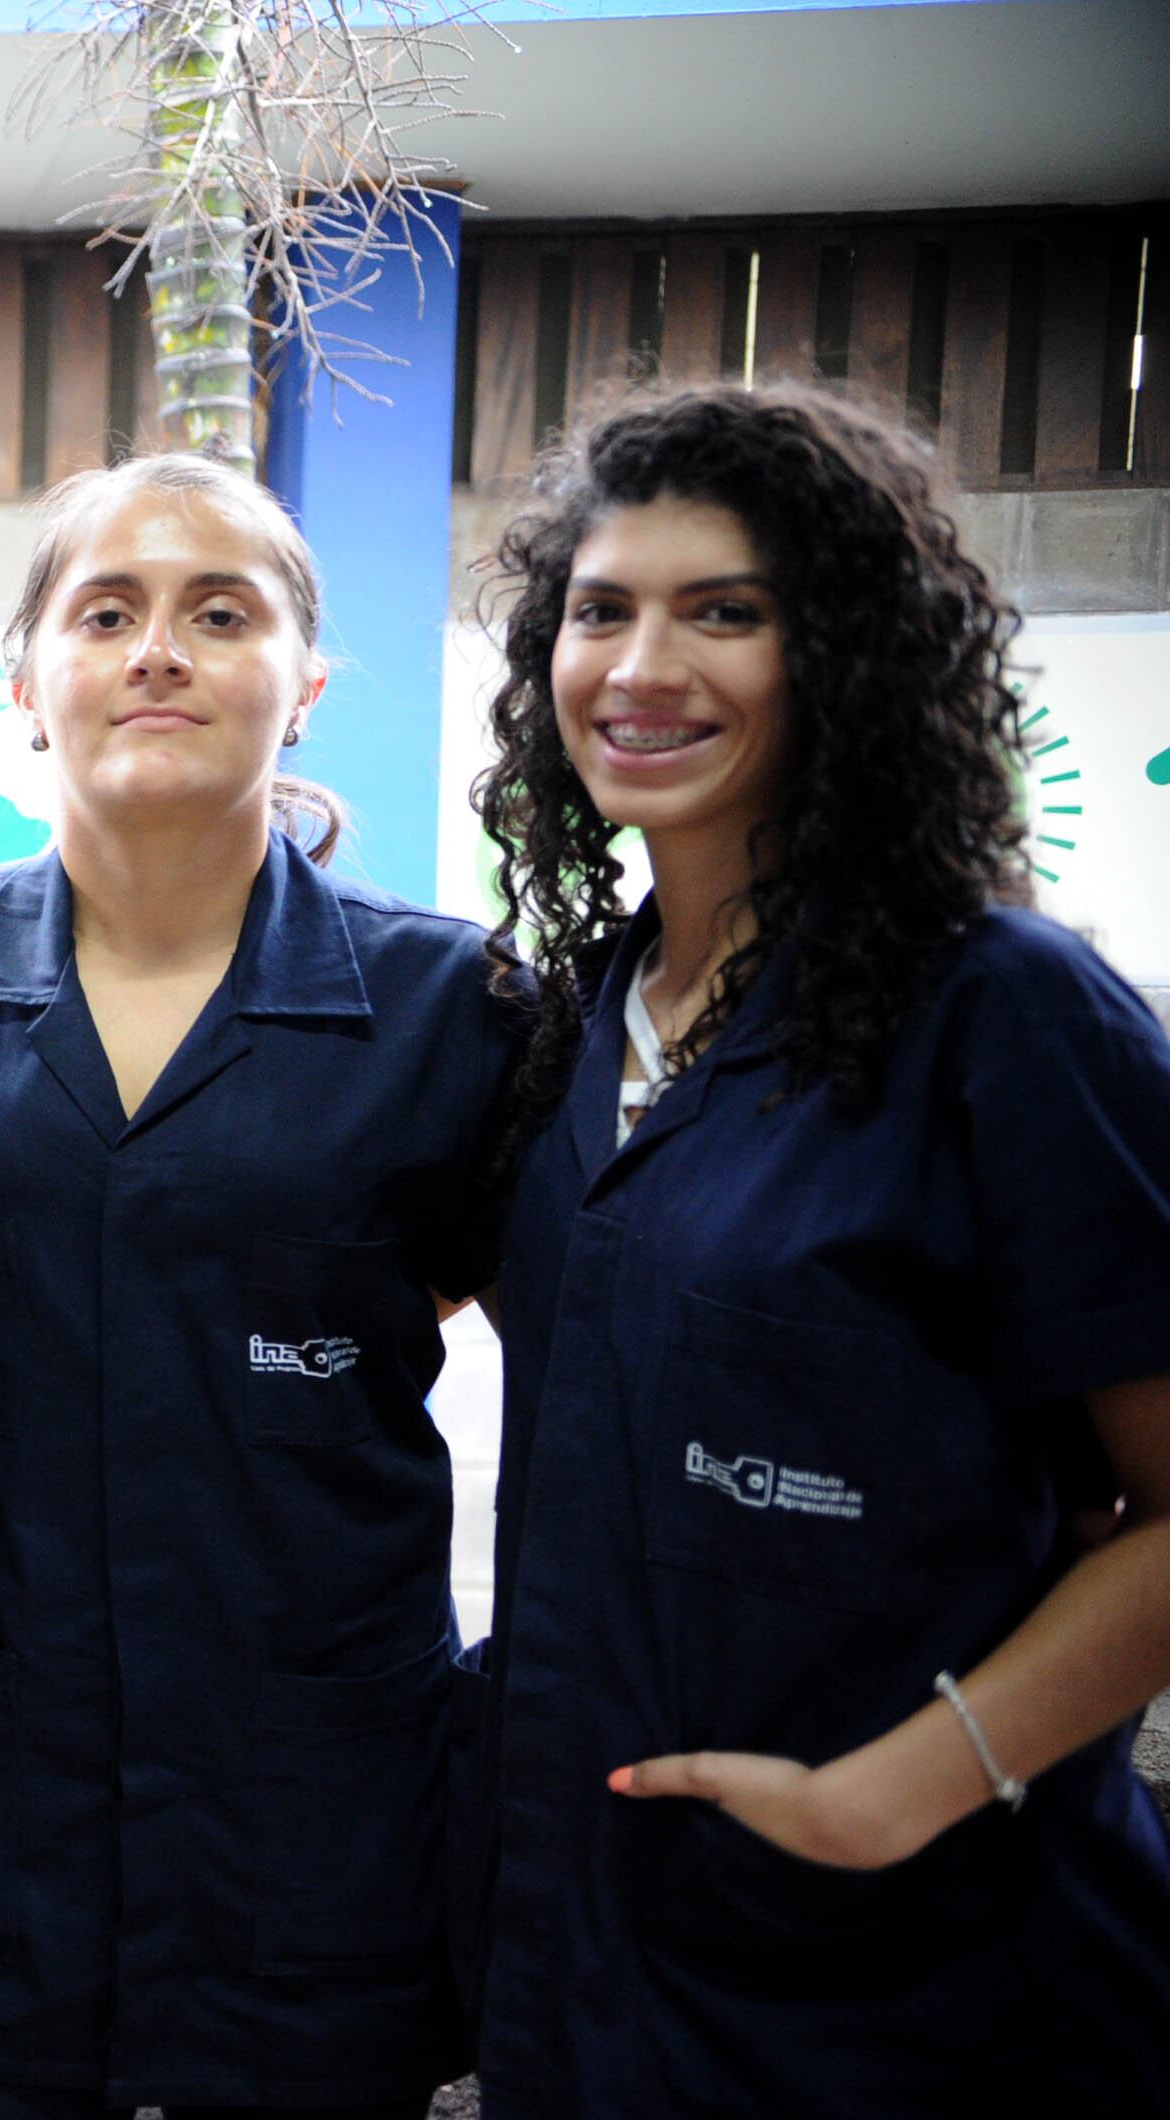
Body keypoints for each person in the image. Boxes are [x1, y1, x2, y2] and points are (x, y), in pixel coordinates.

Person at [0, 455, 522, 2119]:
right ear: (25, 686)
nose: (159, 651)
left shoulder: (453, 1010)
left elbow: (605, 1386)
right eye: (106, 613)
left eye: (220, 614)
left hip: (325, 1860)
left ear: (305, 688)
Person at [456, 383, 1170, 2115]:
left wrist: (902, 1791)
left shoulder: (1004, 1015)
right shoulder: (571, 1033)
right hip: (590, 1963)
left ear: (844, 657)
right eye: (601, 612)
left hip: (923, 1983)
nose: (641, 667)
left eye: (726, 612)